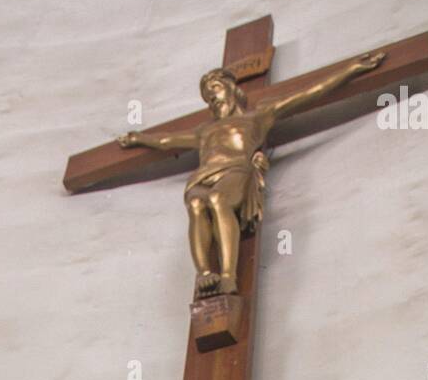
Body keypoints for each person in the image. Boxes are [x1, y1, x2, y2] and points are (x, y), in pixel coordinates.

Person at [118, 52, 386, 297]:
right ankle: (205, 273)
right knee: (196, 204)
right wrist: (140, 138)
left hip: (236, 169)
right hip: (203, 174)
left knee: (218, 201)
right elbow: (167, 142)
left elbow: (308, 94)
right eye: (207, 96)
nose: (212, 98)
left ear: (232, 89)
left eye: (215, 90)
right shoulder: (204, 131)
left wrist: (350, 70)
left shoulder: (258, 117)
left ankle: (227, 276)